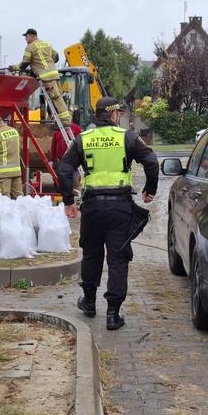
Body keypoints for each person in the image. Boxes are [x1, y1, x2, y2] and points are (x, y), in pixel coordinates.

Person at [57, 97, 158, 330]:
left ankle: (89, 303)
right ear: (114, 115)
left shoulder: (83, 139)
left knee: (91, 254)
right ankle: (113, 313)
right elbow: (151, 161)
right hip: (120, 207)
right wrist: (149, 190)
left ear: (97, 115)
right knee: (118, 258)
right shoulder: (127, 137)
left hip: (92, 207)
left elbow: (64, 169)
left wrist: (69, 201)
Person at [8, 28, 71, 126]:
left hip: (46, 77)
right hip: (54, 74)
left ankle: (65, 122)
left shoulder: (30, 47)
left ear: (31, 36)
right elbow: (57, 57)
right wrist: (47, 63)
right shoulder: (46, 44)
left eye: (26, 37)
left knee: (56, 98)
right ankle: (62, 120)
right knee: (59, 97)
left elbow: (24, 65)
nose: (25, 39)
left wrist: (13, 67)